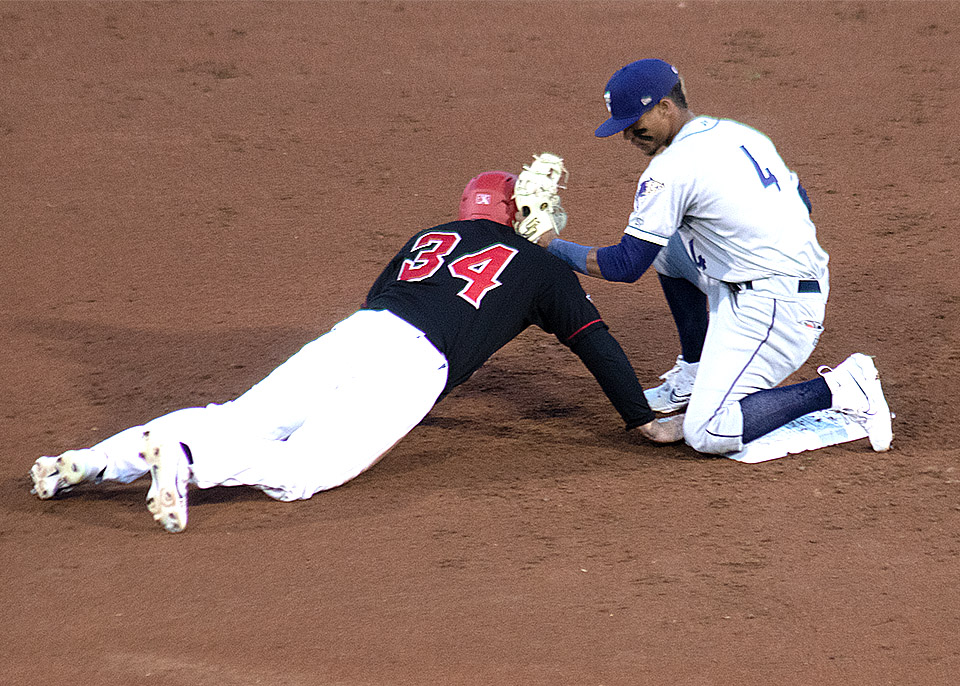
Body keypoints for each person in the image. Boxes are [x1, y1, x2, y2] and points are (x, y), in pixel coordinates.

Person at [30, 167, 683, 533]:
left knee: (241, 415)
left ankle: (89, 462)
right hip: (411, 366)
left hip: (356, 334)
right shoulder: (543, 270)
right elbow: (595, 343)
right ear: (521, 216)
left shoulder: (430, 236)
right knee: (306, 470)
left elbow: (381, 298)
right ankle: (185, 456)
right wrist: (640, 418)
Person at [541, 58, 893, 457]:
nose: (628, 137)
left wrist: (551, 244)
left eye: (635, 125)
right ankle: (694, 371)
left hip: (777, 308)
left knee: (707, 432)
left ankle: (843, 387)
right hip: (795, 275)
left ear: (665, 108)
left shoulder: (671, 170)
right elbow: (802, 204)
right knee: (668, 248)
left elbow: (625, 265)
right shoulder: (739, 133)